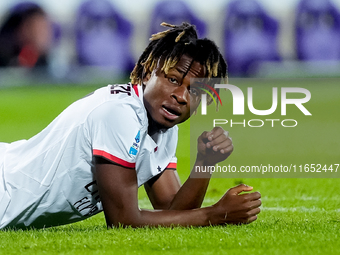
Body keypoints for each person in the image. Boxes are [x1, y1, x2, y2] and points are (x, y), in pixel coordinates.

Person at [0, 22, 261, 229]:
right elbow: (124, 220)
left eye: (194, 92)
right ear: (147, 73)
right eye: (172, 79)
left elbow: (172, 211)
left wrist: (204, 163)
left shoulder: (162, 123)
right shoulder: (119, 113)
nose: (181, 96)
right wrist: (214, 215)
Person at [0, 2, 52, 68]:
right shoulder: (4, 56)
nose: (43, 34)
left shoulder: (45, 61)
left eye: (44, 28)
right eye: (35, 29)